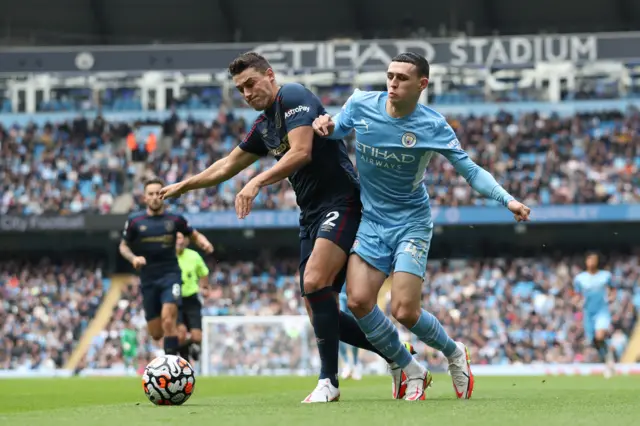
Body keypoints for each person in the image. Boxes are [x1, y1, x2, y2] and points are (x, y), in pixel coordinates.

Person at [159, 52, 418, 403]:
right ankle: (400, 357)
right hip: (310, 215)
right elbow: (226, 165)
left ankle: (329, 382)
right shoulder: (264, 126)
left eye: (251, 83)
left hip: (342, 203)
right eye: (240, 89)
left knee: (315, 282)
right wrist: (183, 186)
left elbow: (301, 152)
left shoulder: (293, 97)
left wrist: (256, 182)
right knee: (318, 309)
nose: (247, 93)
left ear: (269, 75)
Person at [312, 52, 531, 401]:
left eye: (401, 77)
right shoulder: (362, 104)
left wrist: (509, 201)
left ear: (422, 84)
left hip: (411, 222)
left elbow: (470, 170)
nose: (393, 82)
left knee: (404, 311)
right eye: (390, 75)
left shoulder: (433, 125)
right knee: (357, 301)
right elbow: (336, 127)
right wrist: (324, 125)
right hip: (371, 220)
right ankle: (408, 367)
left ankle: (454, 352)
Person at [119, 178, 214, 357]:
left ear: (164, 196)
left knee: (168, 319)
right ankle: (181, 349)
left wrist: (203, 242)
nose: (155, 197)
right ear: (145, 198)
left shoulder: (175, 219)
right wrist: (134, 258)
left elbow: (192, 234)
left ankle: (170, 366)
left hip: (170, 275)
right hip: (148, 278)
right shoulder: (135, 221)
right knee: (156, 332)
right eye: (151, 194)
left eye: (158, 193)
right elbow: (123, 246)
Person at [573, 251, 616, 378]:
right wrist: (576, 302)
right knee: (593, 341)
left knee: (600, 336)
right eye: (589, 260)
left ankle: (609, 359)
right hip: (588, 313)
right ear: (586, 261)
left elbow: (613, 289)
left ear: (597, 261)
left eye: (594, 260)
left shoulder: (605, 275)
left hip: (602, 311)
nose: (592, 262)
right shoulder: (580, 278)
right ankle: (607, 361)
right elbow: (577, 295)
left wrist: (611, 297)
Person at [175, 232, 210, 364]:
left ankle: (193, 348)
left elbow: (204, 272)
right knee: (181, 334)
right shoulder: (168, 257)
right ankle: (183, 356)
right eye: (177, 238)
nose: (179, 241)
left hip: (191, 299)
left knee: (196, 336)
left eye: (181, 238)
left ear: (186, 241)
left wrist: (205, 287)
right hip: (175, 300)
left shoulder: (193, 256)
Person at [338, 285, 361, 380]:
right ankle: (347, 364)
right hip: (339, 295)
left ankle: (355, 364)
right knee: (338, 326)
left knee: (355, 331)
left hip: (353, 296)